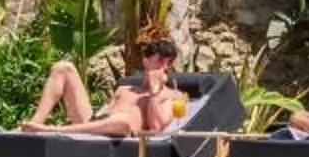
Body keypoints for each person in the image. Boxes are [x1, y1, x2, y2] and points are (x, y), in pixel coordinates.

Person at [16, 38, 189, 139]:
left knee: (124, 120)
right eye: (160, 61)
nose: (165, 67)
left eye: (169, 63)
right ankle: (35, 123)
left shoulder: (174, 95)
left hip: (121, 131)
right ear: (146, 61)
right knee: (64, 68)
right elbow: (101, 115)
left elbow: (157, 126)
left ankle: (51, 130)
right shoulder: (125, 89)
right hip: (95, 126)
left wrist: (154, 90)